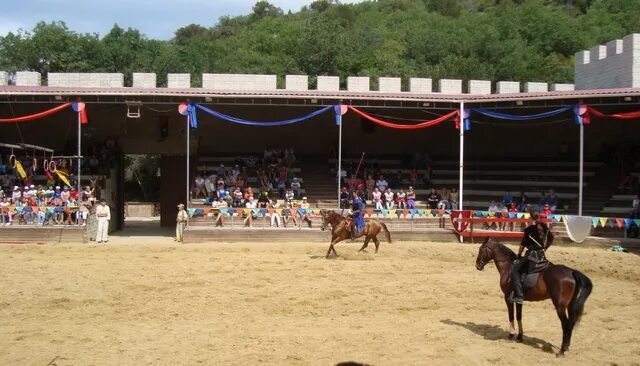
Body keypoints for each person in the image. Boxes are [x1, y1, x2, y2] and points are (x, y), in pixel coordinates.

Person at [510, 215, 554, 304]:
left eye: (529, 218)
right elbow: (552, 238)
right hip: (541, 255)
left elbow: (522, 245)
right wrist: (544, 248)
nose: (528, 220)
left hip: (532, 256)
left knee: (515, 270)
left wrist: (518, 255)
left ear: (532, 220)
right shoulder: (545, 228)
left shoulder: (529, 230)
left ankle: (519, 295)